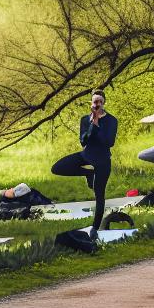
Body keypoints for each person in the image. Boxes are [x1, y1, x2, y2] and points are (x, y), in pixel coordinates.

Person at [51, 90, 118, 235]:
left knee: (99, 195)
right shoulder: (84, 119)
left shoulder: (112, 120)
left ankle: (95, 228)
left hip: (102, 160)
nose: (97, 104)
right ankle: (89, 173)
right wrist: (92, 123)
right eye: (95, 101)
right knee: (57, 168)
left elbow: (109, 142)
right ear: (91, 103)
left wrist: (98, 124)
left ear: (104, 103)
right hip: (87, 155)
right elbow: (83, 141)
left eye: (100, 101)